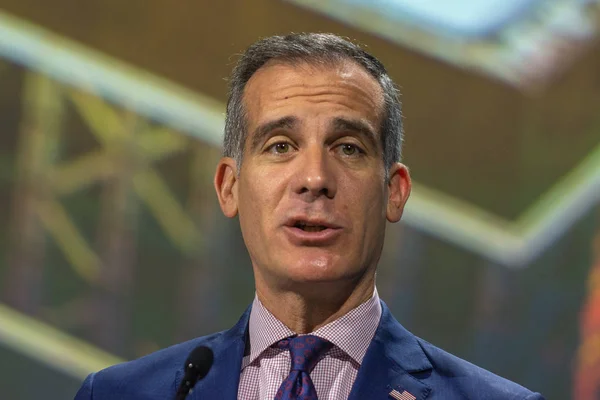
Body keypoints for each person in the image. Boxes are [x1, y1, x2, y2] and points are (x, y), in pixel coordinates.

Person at [75, 33, 544, 400]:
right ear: (229, 187)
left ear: (394, 192)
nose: (314, 178)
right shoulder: (122, 395)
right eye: (280, 146)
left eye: (348, 148)